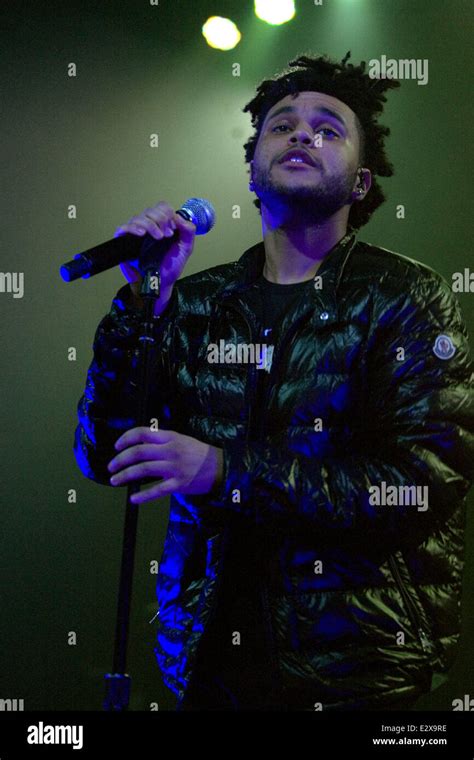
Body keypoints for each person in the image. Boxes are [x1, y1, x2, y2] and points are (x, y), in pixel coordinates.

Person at [74, 52, 474, 711]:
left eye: (328, 128)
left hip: (355, 670)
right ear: (253, 171)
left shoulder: (406, 297)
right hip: (206, 667)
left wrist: (226, 471)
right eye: (282, 125)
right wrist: (144, 300)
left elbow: (421, 486)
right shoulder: (195, 302)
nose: (301, 134)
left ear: (361, 183)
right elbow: (108, 454)